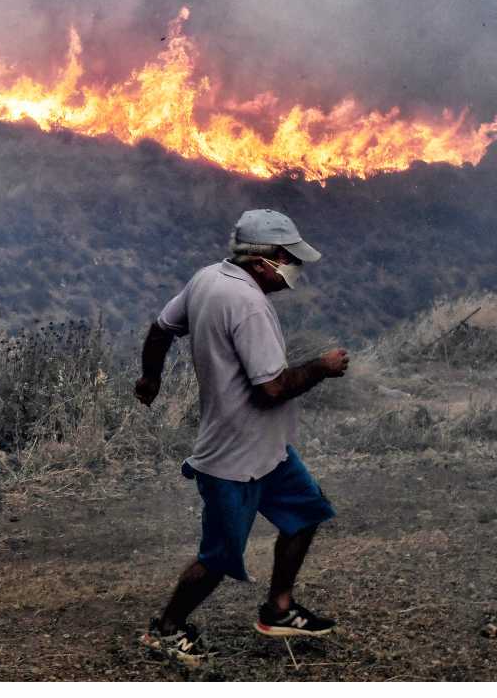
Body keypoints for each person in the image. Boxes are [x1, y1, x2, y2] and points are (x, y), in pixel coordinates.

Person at [135, 209, 349, 665]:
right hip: (234, 456)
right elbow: (271, 389)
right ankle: (166, 631)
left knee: (305, 512)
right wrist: (323, 368)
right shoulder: (250, 305)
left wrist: (148, 379)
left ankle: (279, 609)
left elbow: (160, 328)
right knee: (218, 557)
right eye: (289, 259)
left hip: (267, 449)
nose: (296, 268)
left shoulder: (207, 278)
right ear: (261, 261)